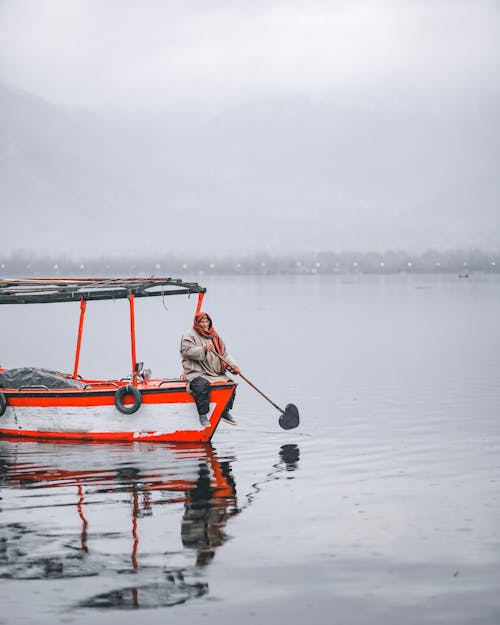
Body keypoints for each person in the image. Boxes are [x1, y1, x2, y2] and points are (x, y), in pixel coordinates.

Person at [180, 311, 240, 427]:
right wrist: (203, 349)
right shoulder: (189, 335)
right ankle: (202, 415)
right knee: (201, 385)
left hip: (215, 373)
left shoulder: (215, 336)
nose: (205, 324)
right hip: (197, 372)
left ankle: (224, 411)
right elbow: (186, 351)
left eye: (207, 321)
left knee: (230, 385)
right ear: (197, 323)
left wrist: (233, 367)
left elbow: (224, 354)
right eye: (202, 321)